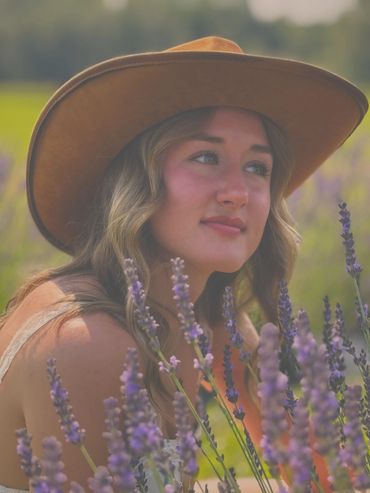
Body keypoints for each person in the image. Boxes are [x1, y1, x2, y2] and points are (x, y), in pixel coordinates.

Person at [0, 36, 367, 493]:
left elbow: (309, 470)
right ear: (139, 181)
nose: (239, 192)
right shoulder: (89, 345)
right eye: (206, 157)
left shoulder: (205, 314)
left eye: (258, 168)